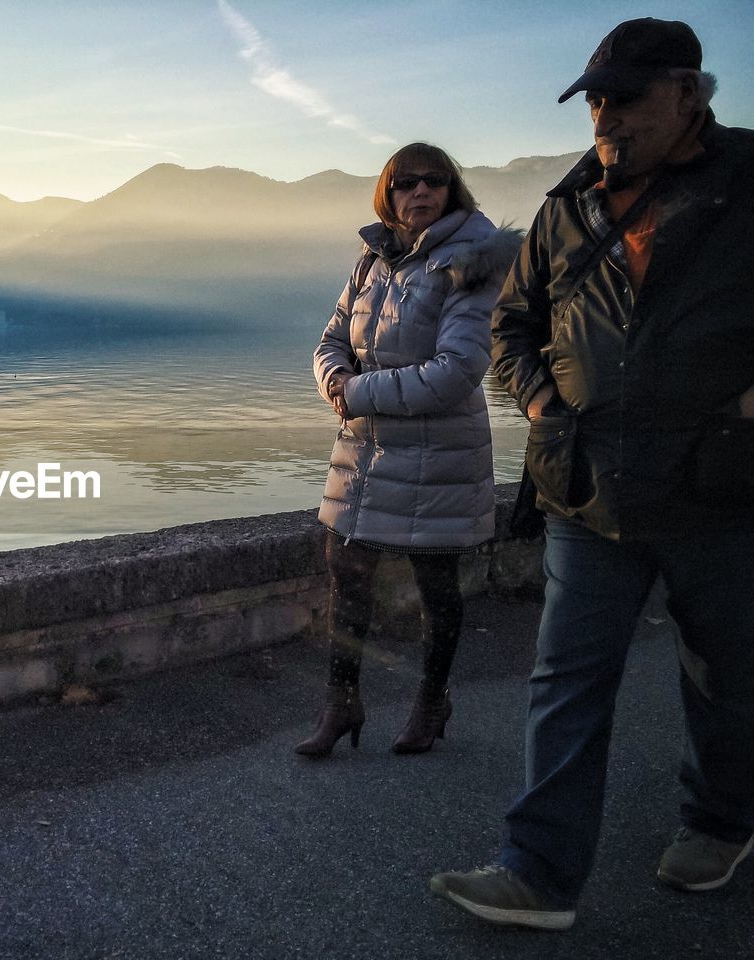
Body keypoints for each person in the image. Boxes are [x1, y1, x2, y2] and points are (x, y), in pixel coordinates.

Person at [431, 18, 754, 931]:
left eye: (627, 97)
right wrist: (539, 405)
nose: (606, 117)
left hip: (721, 490)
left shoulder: (747, 180)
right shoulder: (566, 206)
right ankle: (537, 872)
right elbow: (511, 327)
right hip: (586, 486)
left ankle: (722, 822)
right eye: (596, 99)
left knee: (727, 676)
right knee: (565, 679)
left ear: (691, 93)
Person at [296, 143, 519, 760]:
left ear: (453, 190)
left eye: (434, 181)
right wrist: (335, 382)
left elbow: (457, 370)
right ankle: (341, 703)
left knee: (436, 584)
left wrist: (356, 390)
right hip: (365, 452)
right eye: (405, 183)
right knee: (346, 572)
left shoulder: (474, 260)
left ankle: (431, 699)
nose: (419, 192)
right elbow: (330, 340)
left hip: (440, 452)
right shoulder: (373, 257)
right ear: (387, 193)